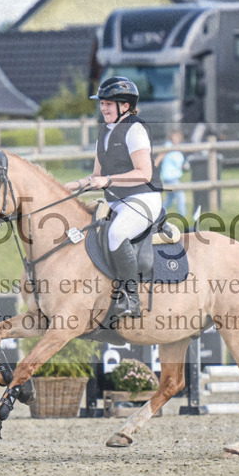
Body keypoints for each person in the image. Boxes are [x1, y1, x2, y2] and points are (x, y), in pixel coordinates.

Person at [65, 77, 162, 317]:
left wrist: (108, 181)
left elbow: (144, 173)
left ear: (125, 106)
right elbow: (96, 175)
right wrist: (72, 186)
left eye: (109, 103)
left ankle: (131, 298)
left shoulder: (135, 130)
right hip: (115, 201)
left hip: (143, 199)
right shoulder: (104, 133)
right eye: (102, 103)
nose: (104, 108)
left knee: (118, 233)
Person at [155, 130, 188, 219]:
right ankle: (183, 216)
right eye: (174, 137)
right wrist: (152, 169)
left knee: (169, 200)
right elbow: (160, 157)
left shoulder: (178, 148)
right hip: (170, 177)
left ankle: (158, 215)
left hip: (176, 176)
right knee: (181, 197)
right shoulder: (168, 146)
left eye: (177, 137)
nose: (175, 139)